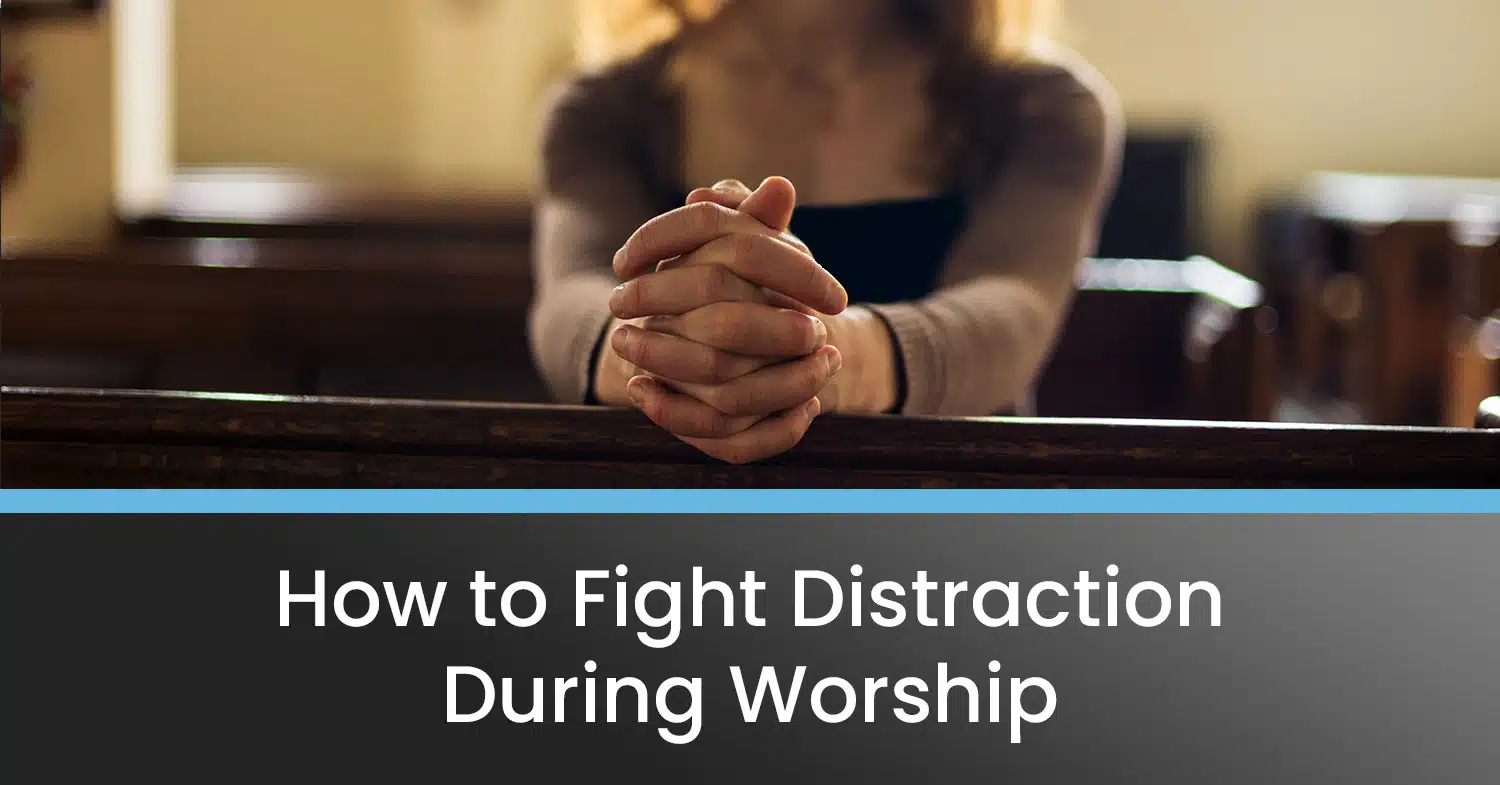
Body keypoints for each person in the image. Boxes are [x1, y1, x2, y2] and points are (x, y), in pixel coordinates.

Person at [529, 0, 1122, 464]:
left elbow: (1012, 312)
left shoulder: (1042, 106)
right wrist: (668, 361)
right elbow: (570, 303)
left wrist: (819, 359)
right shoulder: (603, 108)